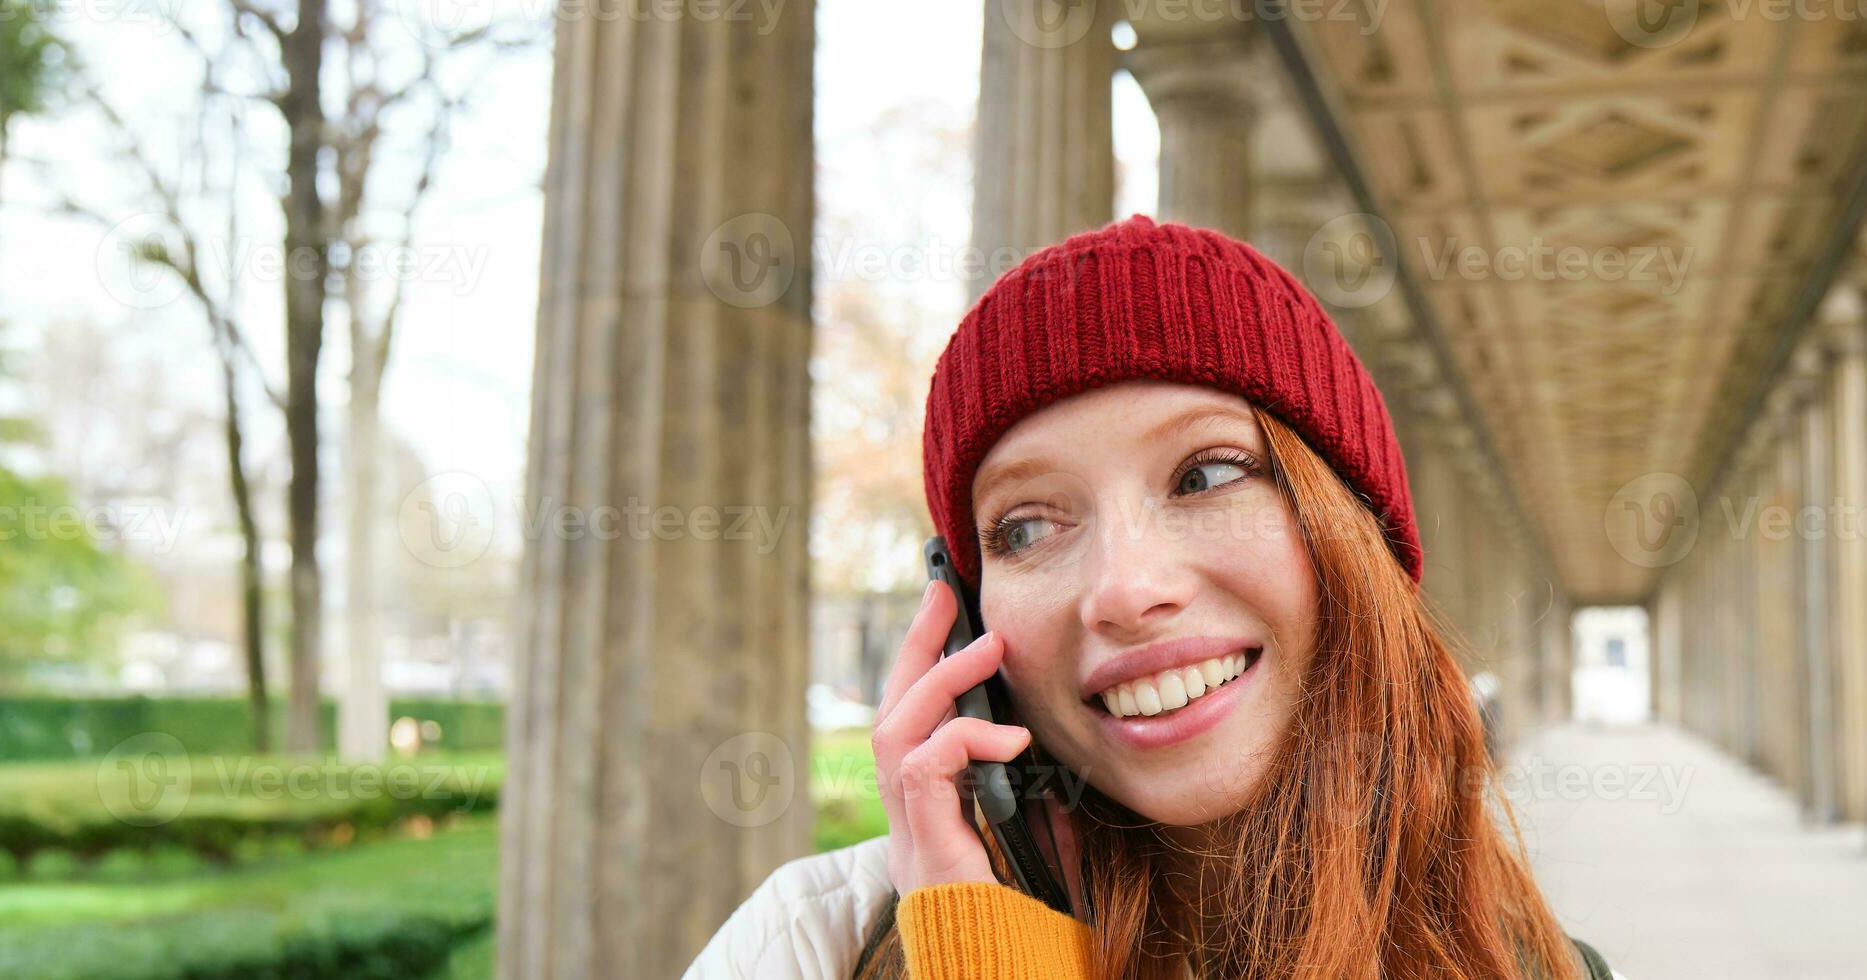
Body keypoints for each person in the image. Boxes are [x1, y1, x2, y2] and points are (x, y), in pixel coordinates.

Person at [688, 216, 1616, 980]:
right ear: (963, 615)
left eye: (1207, 475)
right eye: (1025, 528)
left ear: (1357, 539)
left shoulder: (1544, 968)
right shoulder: (803, 947)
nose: (1126, 592)